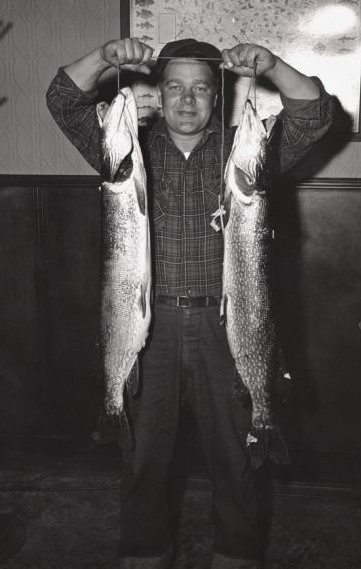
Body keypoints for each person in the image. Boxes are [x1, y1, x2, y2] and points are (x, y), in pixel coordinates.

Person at [46, 36, 334, 569]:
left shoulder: (244, 150)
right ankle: (145, 554)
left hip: (229, 325)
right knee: (143, 461)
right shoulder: (127, 148)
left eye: (200, 88)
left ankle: (237, 555)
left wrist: (271, 65)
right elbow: (63, 99)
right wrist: (106, 58)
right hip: (143, 328)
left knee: (236, 460)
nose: (186, 100)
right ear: (157, 91)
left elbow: (315, 115)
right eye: (174, 86)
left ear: (216, 95)